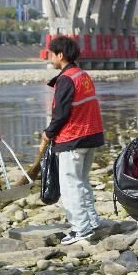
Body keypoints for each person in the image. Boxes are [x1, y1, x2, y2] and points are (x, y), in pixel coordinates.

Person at [42, 36, 104, 245]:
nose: (50, 57)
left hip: (73, 138)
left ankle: (80, 228)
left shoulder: (66, 79)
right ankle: (92, 221)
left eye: (51, 54)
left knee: (70, 186)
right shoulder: (82, 75)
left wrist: (49, 132)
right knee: (82, 181)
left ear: (60, 55)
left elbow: (60, 113)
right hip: (91, 136)